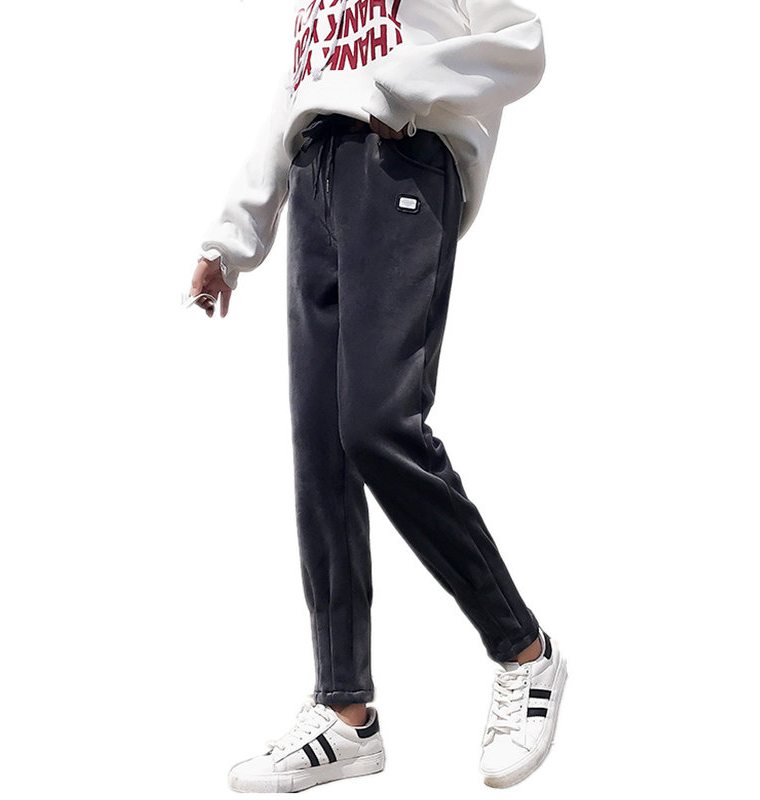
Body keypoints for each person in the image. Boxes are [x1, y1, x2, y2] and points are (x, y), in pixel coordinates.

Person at [187, 0, 567, 791]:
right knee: (321, 449)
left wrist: (400, 89)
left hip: (400, 161)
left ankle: (526, 651)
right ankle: (346, 713)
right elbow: (296, 90)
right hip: (314, 174)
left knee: (377, 425)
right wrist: (230, 238)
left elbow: (522, 43)